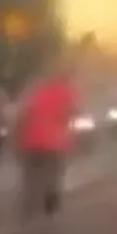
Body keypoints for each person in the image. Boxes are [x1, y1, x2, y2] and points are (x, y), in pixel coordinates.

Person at [16, 62, 77, 220]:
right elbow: (70, 113)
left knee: (31, 174)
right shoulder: (66, 91)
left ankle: (29, 205)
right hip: (54, 141)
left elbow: (23, 113)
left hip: (31, 140)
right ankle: (50, 208)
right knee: (53, 174)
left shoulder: (37, 90)